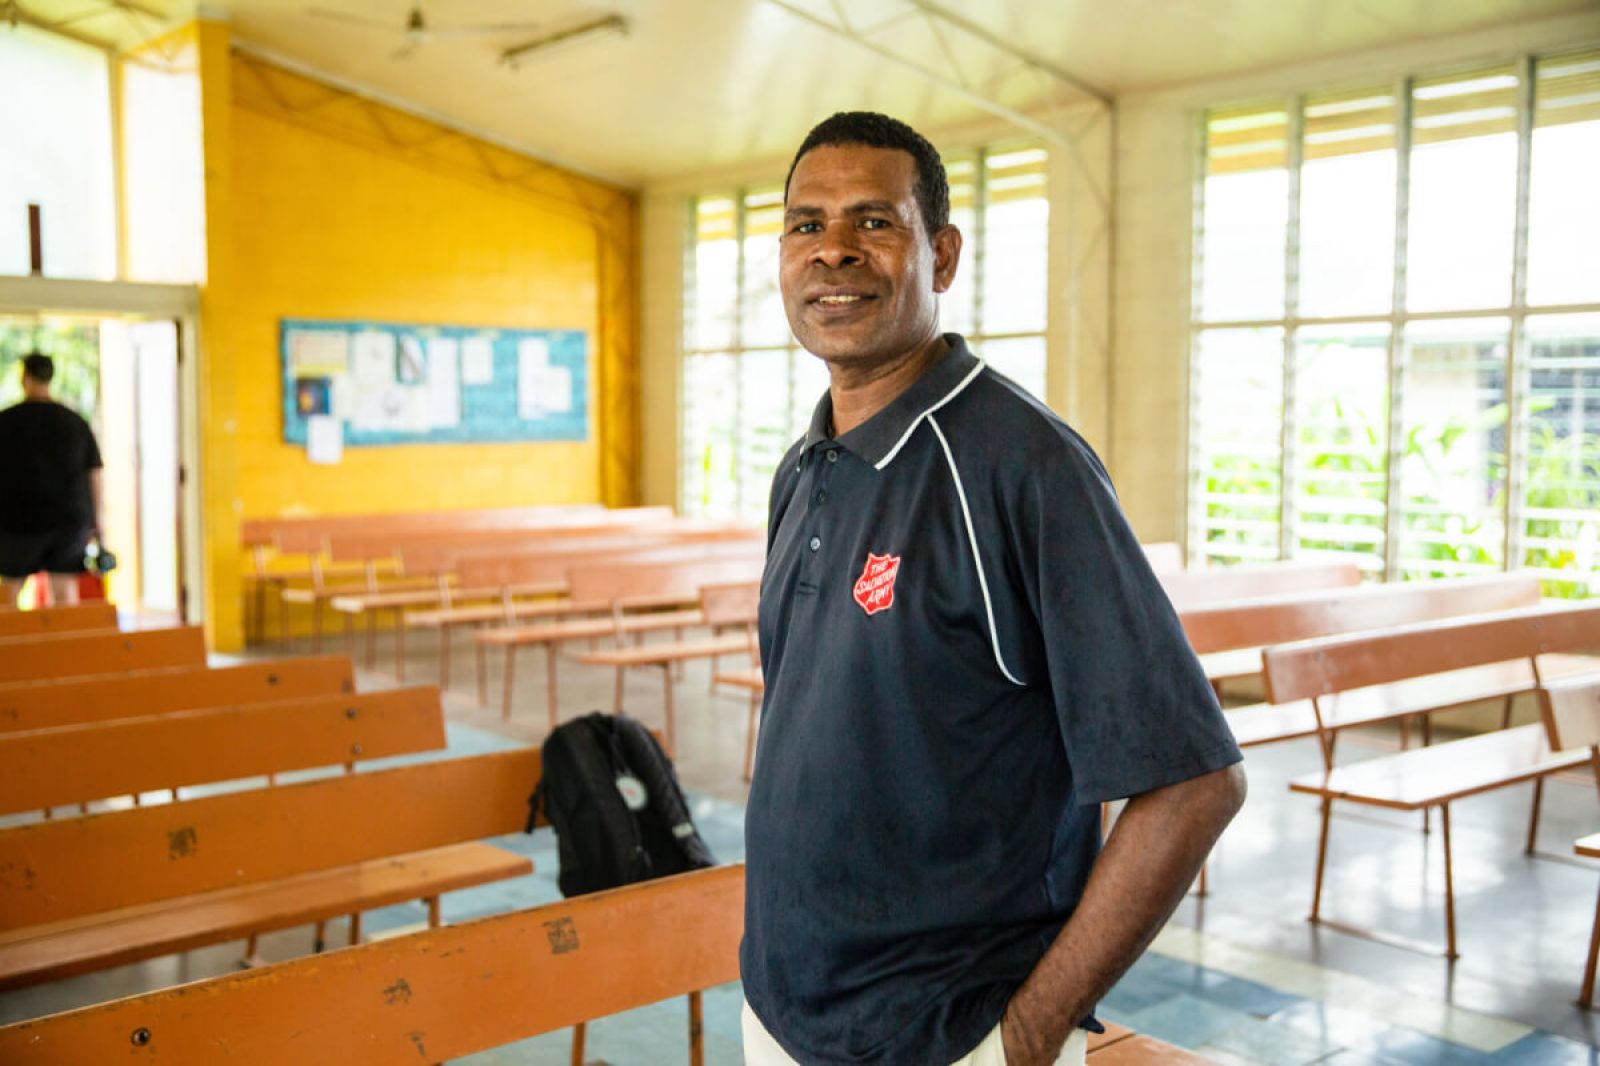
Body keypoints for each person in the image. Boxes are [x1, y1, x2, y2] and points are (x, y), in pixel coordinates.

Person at [740, 112, 1248, 1066]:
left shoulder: (1023, 467)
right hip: (782, 1011)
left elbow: (1193, 780)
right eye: (807, 225)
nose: (834, 251)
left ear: (941, 255)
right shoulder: (806, 464)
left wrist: (1026, 1033)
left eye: (873, 223)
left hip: (946, 1034)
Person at [0, 353, 105, 608]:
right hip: (69, 521)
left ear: (24, 377)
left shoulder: (6, 422)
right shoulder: (74, 422)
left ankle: (11, 648)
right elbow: (95, 474)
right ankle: (67, 648)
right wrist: (97, 523)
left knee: (9, 596)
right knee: (65, 594)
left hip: (16, 521)